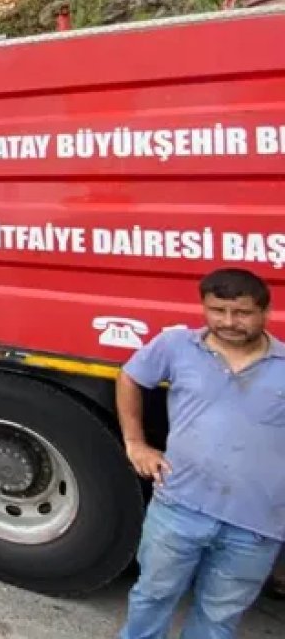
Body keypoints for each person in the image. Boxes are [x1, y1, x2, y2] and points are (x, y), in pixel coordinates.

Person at [117, 267, 284, 639]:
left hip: (256, 524)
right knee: (153, 596)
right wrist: (136, 443)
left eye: (241, 313)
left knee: (219, 615)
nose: (228, 322)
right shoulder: (176, 346)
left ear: (265, 312)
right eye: (217, 310)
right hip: (179, 507)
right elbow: (130, 377)